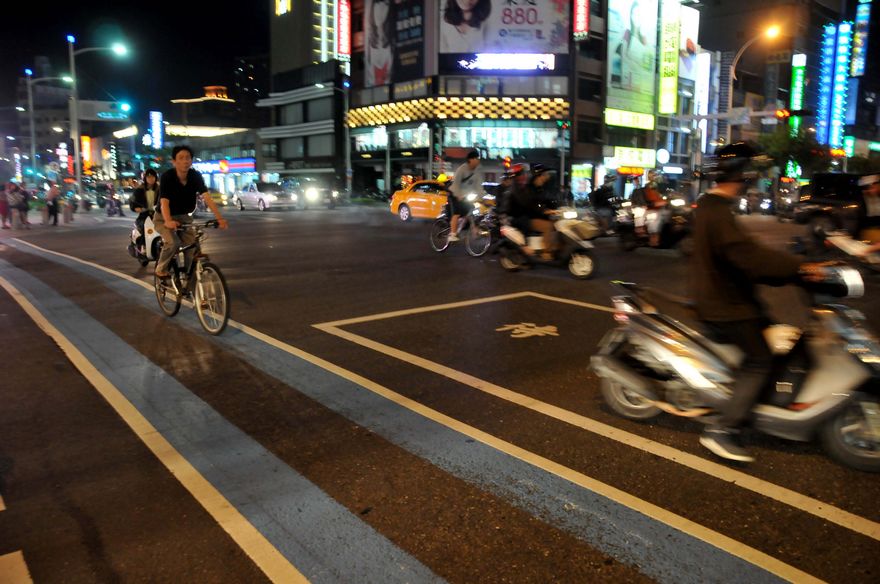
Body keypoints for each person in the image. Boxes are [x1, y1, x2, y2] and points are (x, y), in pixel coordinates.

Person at [691, 142, 823, 463]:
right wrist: (798, 268)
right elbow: (749, 257)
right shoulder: (719, 212)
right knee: (760, 358)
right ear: (743, 174)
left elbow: (740, 252)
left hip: (727, 297)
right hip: (726, 306)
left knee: (776, 334)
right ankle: (722, 429)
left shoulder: (710, 206)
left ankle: (755, 403)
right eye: (751, 171)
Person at [154, 145, 228, 278]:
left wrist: (219, 218)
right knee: (173, 242)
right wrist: (168, 221)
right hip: (163, 217)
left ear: (191, 160)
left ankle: (189, 276)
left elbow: (207, 198)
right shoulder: (167, 177)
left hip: (183, 216)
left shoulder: (195, 176)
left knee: (191, 245)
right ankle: (161, 268)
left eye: (188, 158)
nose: (185, 161)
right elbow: (164, 202)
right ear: (174, 161)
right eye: (181, 158)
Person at [503, 164, 558, 260]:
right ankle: (545, 253)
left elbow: (543, 201)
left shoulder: (533, 188)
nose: (524, 176)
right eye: (521, 174)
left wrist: (552, 208)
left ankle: (552, 247)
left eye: (525, 173)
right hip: (520, 218)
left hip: (526, 216)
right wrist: (544, 210)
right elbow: (529, 204)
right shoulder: (519, 189)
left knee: (555, 224)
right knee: (548, 226)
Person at [448, 150, 482, 242]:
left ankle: (468, 228)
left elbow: (479, 187)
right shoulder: (462, 169)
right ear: (471, 159)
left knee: (472, 209)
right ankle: (452, 234)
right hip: (454, 194)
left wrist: (482, 198)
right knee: (457, 212)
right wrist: (458, 195)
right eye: (476, 158)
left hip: (465, 196)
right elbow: (456, 184)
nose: (478, 160)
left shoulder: (477, 172)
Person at [366, 0, 394, 86]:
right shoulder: (369, 42)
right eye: (377, 3)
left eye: (385, 4)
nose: (380, 8)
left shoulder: (391, 43)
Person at [131, 169, 159, 252]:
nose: (151, 179)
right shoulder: (139, 190)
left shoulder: (160, 189)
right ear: (145, 178)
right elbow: (133, 202)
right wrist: (136, 208)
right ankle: (143, 245)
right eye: (148, 177)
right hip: (144, 215)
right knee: (144, 227)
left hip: (158, 214)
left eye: (153, 177)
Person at [855, 174, 880, 255]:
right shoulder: (862, 199)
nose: (872, 190)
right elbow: (860, 220)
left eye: (874, 187)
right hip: (868, 231)